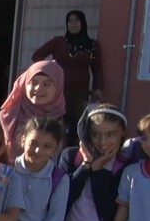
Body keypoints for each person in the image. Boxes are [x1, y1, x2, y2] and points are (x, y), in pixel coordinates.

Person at [32, 9, 103, 142]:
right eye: (70, 21)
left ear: (83, 23)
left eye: (76, 20)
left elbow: (97, 69)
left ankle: (72, 157)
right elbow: (37, 55)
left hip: (79, 93)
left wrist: (97, 89)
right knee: (54, 125)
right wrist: (48, 73)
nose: (73, 24)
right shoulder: (59, 42)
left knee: (77, 127)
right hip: (58, 91)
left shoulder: (92, 45)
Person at [0, 60, 65, 162]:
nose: (38, 88)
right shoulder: (9, 116)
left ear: (58, 87)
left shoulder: (66, 121)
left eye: (47, 84)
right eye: (33, 83)